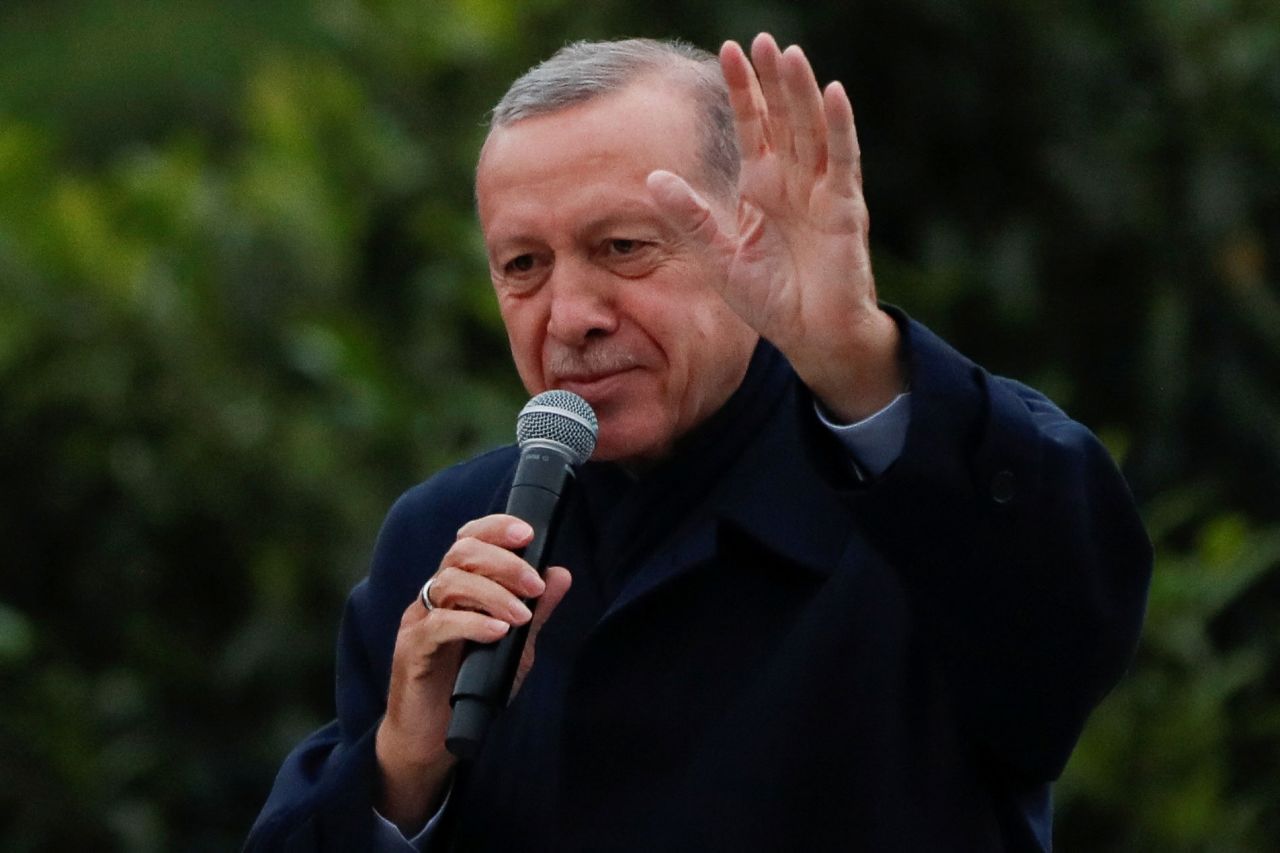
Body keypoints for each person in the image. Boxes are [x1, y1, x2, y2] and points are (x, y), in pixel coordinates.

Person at [246, 34, 1151, 852]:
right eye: (523, 265)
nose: (571, 317)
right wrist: (402, 774)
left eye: (624, 247)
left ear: (747, 235)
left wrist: (856, 357)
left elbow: (1070, 632)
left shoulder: (915, 486)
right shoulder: (446, 543)